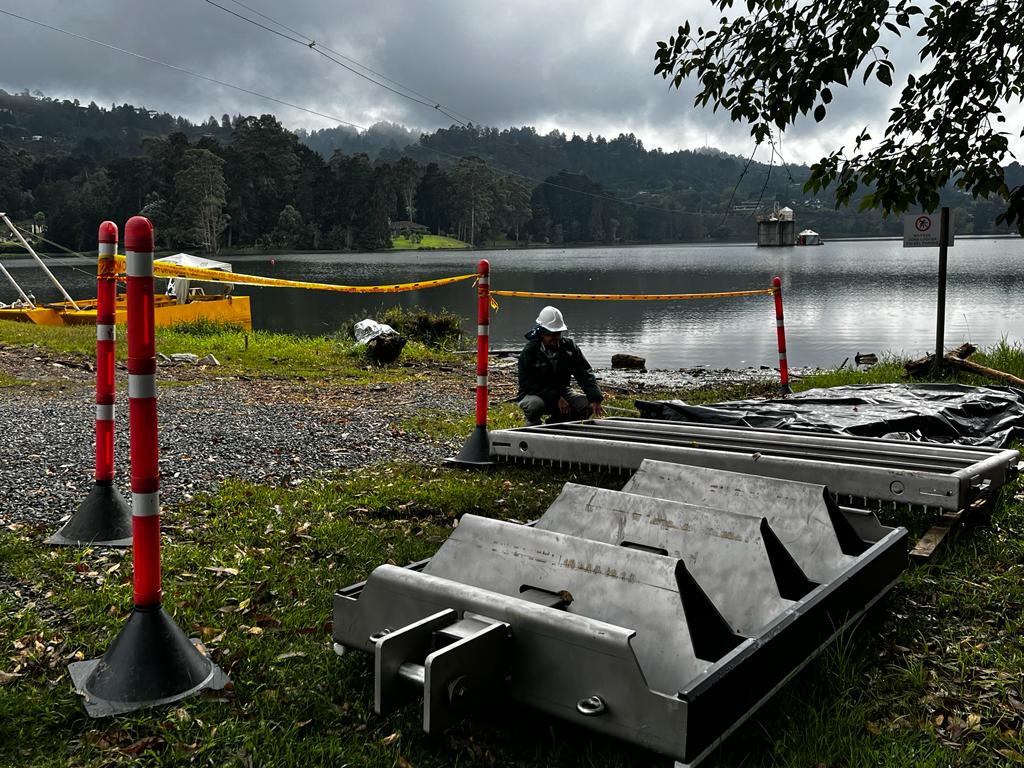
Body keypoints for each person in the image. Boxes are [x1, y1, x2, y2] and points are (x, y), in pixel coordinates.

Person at [517, 305, 605, 426]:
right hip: (534, 393)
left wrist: (595, 398)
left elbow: (584, 372)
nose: (555, 338)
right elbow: (527, 384)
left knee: (586, 405)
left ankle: (556, 424)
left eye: (558, 333)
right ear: (542, 333)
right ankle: (532, 424)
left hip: (562, 391)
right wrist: (556, 398)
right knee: (535, 406)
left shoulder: (569, 347)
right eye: (551, 334)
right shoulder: (529, 352)